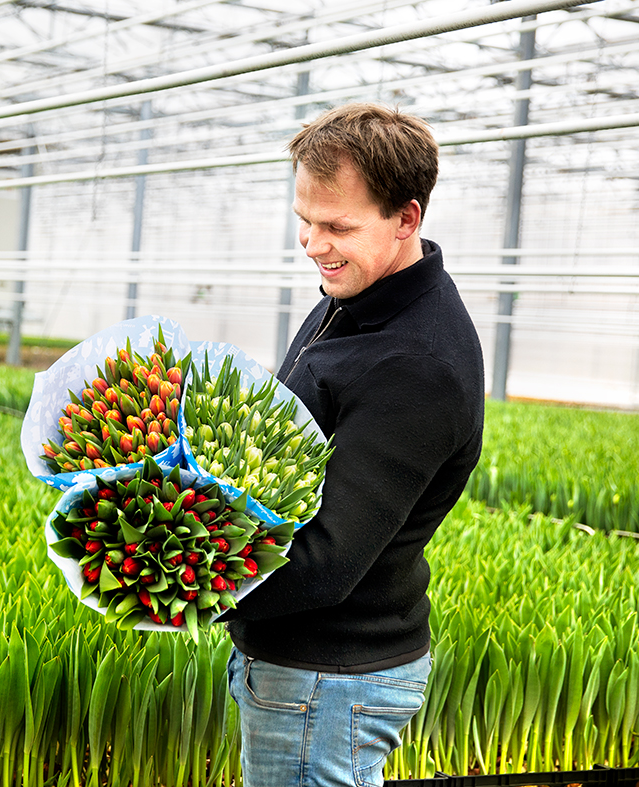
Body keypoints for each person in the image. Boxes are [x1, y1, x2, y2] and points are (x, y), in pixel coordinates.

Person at [220, 102, 485, 787]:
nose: (312, 244)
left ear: (407, 218)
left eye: (336, 225)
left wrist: (178, 585)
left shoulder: (416, 364)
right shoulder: (357, 289)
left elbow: (326, 558)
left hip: (326, 678)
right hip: (301, 667)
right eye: (304, 222)